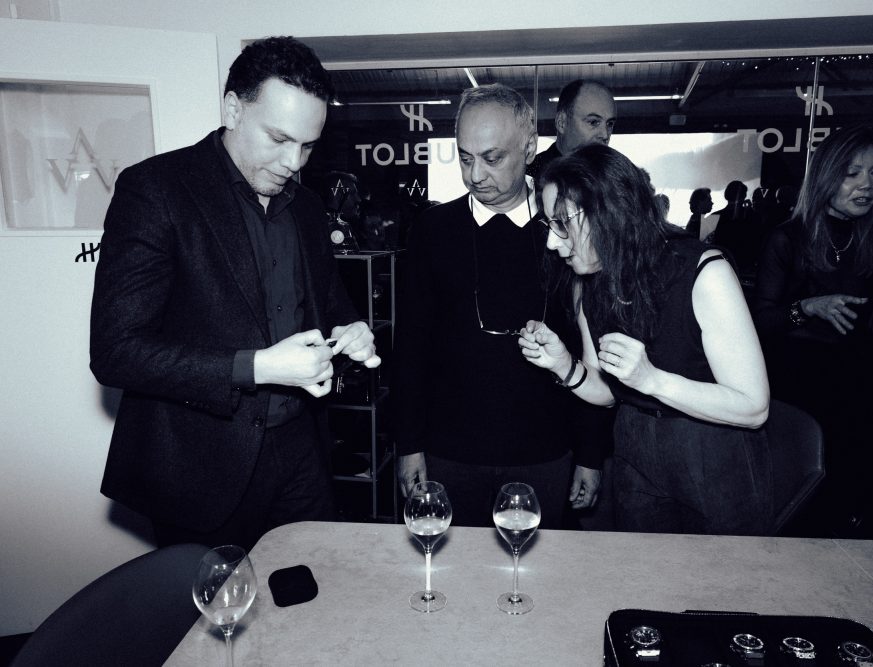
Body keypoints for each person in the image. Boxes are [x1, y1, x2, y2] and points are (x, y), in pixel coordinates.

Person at [90, 37, 380, 550]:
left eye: (308, 145)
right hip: (201, 466)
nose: (293, 161)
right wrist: (257, 367)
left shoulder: (308, 208)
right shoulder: (155, 190)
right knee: (216, 603)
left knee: (313, 590)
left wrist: (351, 329)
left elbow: (330, 305)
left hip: (302, 452)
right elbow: (116, 352)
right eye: (279, 138)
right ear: (232, 109)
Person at [519, 144, 772, 535]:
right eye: (549, 224)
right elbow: (608, 391)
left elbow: (754, 407)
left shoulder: (704, 273)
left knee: (725, 572)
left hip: (714, 449)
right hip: (634, 443)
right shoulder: (588, 282)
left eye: (562, 223)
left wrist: (653, 380)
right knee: (645, 569)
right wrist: (565, 366)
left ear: (609, 213)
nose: (552, 242)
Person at [393, 84, 604, 528]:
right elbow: (411, 347)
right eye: (465, 158)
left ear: (529, 148)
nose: (475, 175)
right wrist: (408, 444)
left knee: (538, 568)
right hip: (450, 452)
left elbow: (591, 351)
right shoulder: (433, 230)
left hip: (546, 451)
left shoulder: (566, 228)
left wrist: (590, 452)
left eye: (492, 158)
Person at [751, 124, 873, 535]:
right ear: (827, 176)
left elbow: (872, 322)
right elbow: (761, 322)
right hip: (798, 389)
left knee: (853, 499)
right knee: (803, 504)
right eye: (852, 173)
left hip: (858, 384)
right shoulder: (787, 239)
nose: (867, 185)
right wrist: (807, 308)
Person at [526, 79, 616, 182]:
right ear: (562, 123)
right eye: (593, 122)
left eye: (610, 124)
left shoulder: (615, 176)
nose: (605, 134)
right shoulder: (529, 177)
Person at [712, 179, 762, 277]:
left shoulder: (713, 216)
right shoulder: (752, 216)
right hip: (745, 266)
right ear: (744, 196)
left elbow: (706, 244)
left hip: (720, 265)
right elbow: (757, 242)